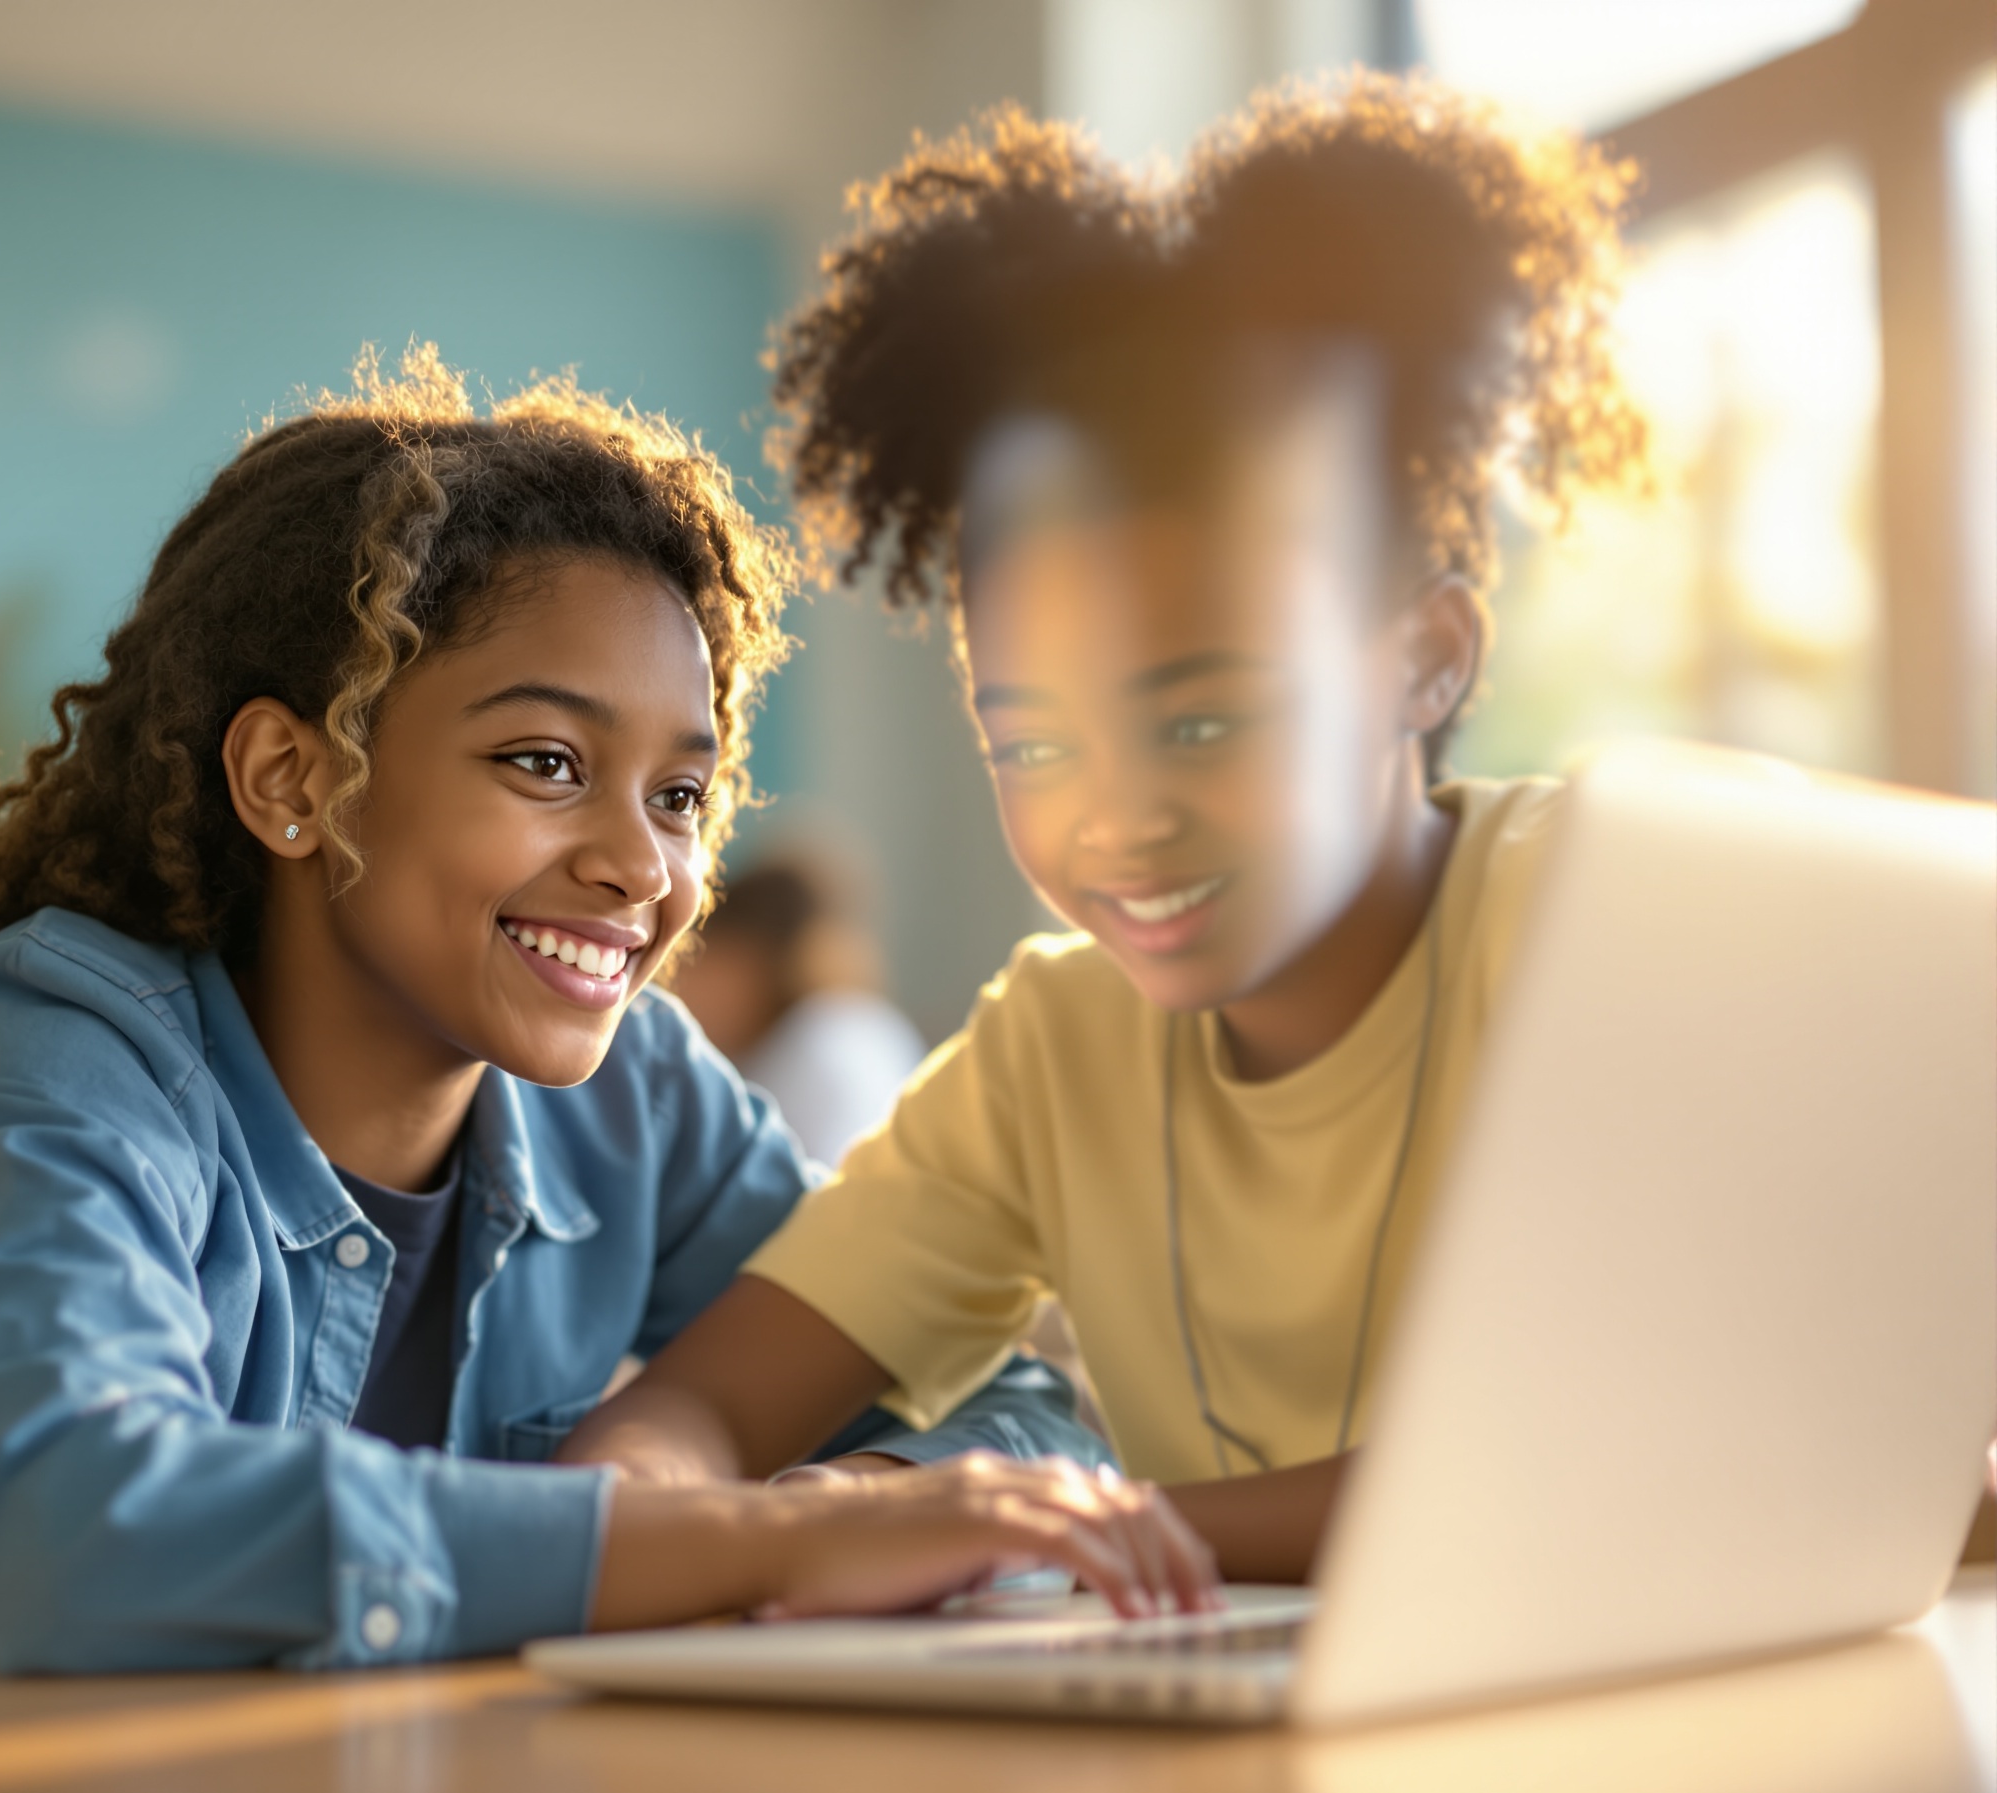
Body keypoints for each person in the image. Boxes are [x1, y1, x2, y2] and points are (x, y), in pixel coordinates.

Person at [0, 348, 1212, 1670]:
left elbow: (1007, 1404)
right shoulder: (53, 1049)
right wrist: (729, 1550)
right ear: (294, 780)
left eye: (681, 794)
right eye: (545, 762)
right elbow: (63, 1537)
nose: (645, 866)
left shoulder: (639, 1104)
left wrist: (849, 1504)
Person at [559, 77, 1650, 1577]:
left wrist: (1007, 1525)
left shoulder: (1617, 913)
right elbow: (700, 1410)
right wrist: (704, 1517)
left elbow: (1602, 1466)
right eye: (1033, 740)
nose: (1114, 818)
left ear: (1426, 657)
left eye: (1202, 721)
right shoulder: (1057, 1048)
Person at [666, 851, 926, 1168]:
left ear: (749, 959)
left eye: (700, 962)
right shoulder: (874, 1026)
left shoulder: (813, 1050)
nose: (684, 990)